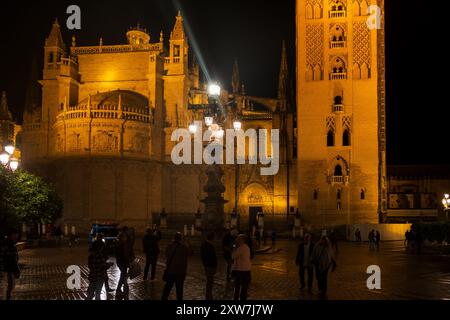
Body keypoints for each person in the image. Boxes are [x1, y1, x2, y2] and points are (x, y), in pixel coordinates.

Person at [162, 232, 189, 301]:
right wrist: (186, 242)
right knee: (179, 289)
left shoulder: (169, 246)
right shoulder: (183, 247)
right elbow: (190, 252)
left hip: (171, 270)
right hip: (180, 271)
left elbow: (166, 254)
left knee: (168, 287)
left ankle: (164, 298)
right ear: (181, 238)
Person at [0, 229, 20, 300]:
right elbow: (12, 259)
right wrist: (16, 270)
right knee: (9, 286)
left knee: (10, 286)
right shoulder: (8, 244)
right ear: (11, 235)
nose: (17, 236)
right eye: (15, 234)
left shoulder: (11, 244)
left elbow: (14, 258)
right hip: (7, 269)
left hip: (8, 269)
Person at [86, 236, 108, 300]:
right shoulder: (100, 256)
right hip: (99, 276)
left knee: (90, 293)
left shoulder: (91, 256)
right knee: (98, 294)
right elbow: (103, 266)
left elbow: (90, 266)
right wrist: (108, 265)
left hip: (92, 276)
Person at [115, 228, 134, 300]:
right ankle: (119, 288)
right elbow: (124, 255)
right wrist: (128, 262)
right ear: (121, 238)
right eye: (124, 237)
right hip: (122, 263)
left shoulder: (121, 245)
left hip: (121, 262)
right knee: (123, 275)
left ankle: (121, 287)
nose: (125, 238)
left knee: (123, 275)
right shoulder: (121, 245)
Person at [232, 234, 252, 301]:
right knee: (244, 287)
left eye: (239, 239)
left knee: (237, 287)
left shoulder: (241, 248)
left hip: (241, 270)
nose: (237, 240)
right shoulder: (246, 247)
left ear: (243, 240)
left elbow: (233, 256)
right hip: (246, 269)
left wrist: (234, 246)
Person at [201, 232, 218, 300]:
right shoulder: (210, 246)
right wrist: (214, 265)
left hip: (207, 265)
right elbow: (212, 257)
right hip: (210, 265)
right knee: (210, 281)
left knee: (209, 281)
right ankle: (208, 295)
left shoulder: (204, 244)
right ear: (212, 238)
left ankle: (208, 294)